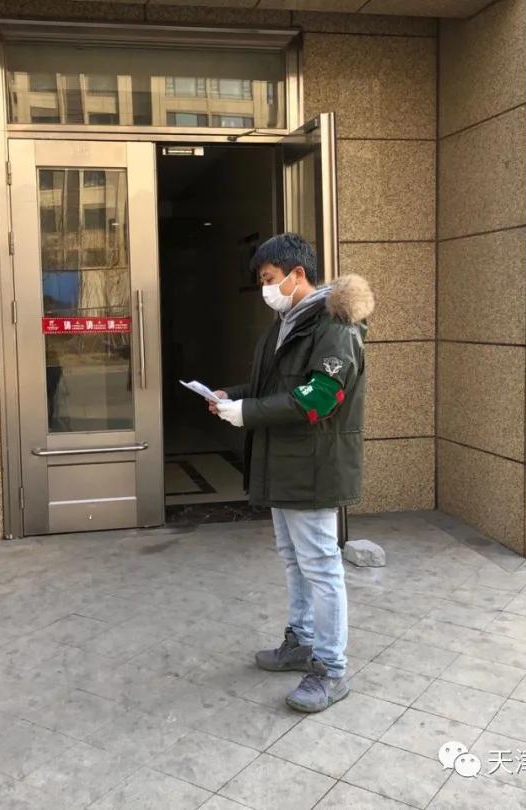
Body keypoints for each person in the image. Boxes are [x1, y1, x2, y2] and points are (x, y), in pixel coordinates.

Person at [210, 233, 373, 713]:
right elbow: (272, 388)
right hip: (285, 462)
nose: (266, 289)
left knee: (320, 565)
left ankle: (331, 669)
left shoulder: (336, 327)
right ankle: (300, 641)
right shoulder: (288, 323)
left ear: (297, 274)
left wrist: (248, 413)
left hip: (314, 466)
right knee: (293, 560)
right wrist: (233, 397)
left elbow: (319, 397)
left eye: (269, 279)